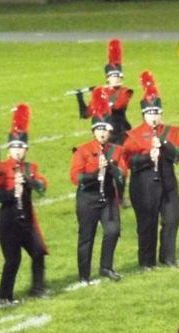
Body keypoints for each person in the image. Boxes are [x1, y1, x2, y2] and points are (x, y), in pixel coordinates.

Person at [123, 71, 179, 269]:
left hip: (168, 184)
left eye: (156, 112)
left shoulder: (169, 132)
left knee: (172, 218)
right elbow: (128, 161)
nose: (154, 116)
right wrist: (148, 157)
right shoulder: (134, 135)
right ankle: (146, 262)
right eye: (150, 113)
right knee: (146, 225)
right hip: (144, 185)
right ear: (143, 114)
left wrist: (164, 145)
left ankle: (167, 257)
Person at [0, 104, 48, 304]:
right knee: (13, 260)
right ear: (9, 149)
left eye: (21, 147)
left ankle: (37, 289)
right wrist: (12, 193)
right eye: (15, 147)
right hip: (8, 220)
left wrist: (28, 182)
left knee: (38, 252)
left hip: (27, 220)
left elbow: (42, 186)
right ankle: (3, 296)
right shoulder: (1, 168)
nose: (18, 151)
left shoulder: (30, 168)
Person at [70, 88, 127, 284]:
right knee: (87, 237)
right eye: (99, 129)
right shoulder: (82, 150)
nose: (102, 133)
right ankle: (84, 275)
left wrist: (110, 167)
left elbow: (122, 175)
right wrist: (95, 174)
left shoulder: (116, 151)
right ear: (93, 131)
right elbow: (75, 177)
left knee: (113, 231)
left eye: (105, 130)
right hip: (88, 198)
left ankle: (106, 267)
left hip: (108, 198)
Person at [72, 39, 134, 147]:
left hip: (120, 134)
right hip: (104, 134)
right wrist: (80, 98)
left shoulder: (125, 91)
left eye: (118, 76)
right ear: (108, 78)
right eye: (114, 76)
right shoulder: (101, 92)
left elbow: (116, 105)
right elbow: (86, 114)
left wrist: (99, 96)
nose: (117, 79)